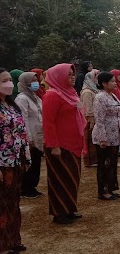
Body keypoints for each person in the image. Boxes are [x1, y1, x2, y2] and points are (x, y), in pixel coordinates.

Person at [42, 63, 86, 225]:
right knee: (59, 179)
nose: (73, 77)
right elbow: (49, 122)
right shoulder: (52, 95)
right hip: (59, 146)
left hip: (73, 144)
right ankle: (59, 212)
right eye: (68, 75)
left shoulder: (70, 93)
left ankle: (69, 208)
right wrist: (54, 145)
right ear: (59, 76)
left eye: (73, 74)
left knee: (72, 178)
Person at [0, 67, 31, 254]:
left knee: (13, 202)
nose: (9, 84)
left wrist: (26, 157)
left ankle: (14, 239)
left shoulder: (12, 106)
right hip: (2, 163)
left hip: (16, 160)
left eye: (8, 80)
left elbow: (22, 133)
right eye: (3, 81)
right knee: (2, 203)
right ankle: (3, 244)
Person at [92, 71, 120, 200]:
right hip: (104, 138)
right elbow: (99, 119)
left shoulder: (112, 96)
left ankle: (111, 188)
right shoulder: (100, 97)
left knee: (112, 164)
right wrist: (103, 138)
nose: (114, 83)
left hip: (115, 136)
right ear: (104, 84)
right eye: (111, 81)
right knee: (104, 164)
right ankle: (103, 191)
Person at [14, 72, 44, 198]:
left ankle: (32, 186)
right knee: (29, 162)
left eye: (36, 80)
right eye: (32, 81)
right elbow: (23, 119)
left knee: (36, 161)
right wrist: (28, 138)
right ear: (25, 83)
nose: (36, 83)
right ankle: (26, 188)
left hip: (38, 134)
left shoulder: (34, 96)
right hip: (30, 134)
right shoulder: (22, 98)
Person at [80, 70, 99, 168]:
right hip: (89, 120)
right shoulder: (87, 92)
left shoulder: (93, 90)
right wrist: (90, 119)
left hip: (95, 119)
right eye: (96, 77)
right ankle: (90, 160)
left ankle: (95, 159)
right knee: (89, 140)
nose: (97, 79)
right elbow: (88, 107)